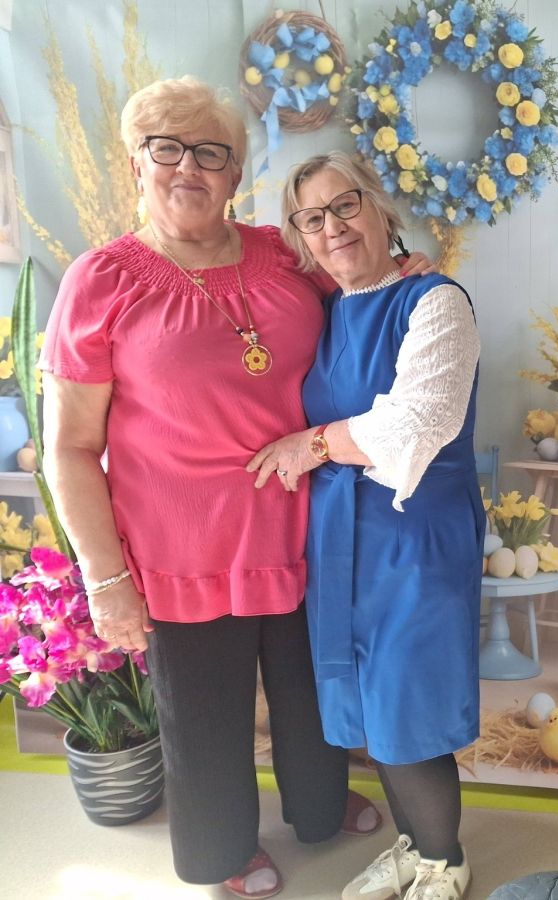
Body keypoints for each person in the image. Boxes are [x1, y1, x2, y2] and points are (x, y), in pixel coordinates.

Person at [37, 77, 433, 899]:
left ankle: (319, 805)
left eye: (210, 153)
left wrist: (408, 276)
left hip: (306, 524)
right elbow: (69, 448)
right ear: (137, 163)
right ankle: (221, 852)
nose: (188, 167)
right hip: (182, 547)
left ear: (235, 172)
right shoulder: (99, 280)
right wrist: (105, 579)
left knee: (312, 688)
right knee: (206, 715)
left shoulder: (282, 254)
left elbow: (362, 296)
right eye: (167, 149)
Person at [247, 151, 483, 900]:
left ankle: (445, 862)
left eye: (345, 205)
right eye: (312, 218)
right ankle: (415, 847)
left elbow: (418, 421)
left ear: (379, 207)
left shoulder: (435, 301)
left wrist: (311, 445)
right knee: (374, 706)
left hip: (415, 538)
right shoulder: (326, 311)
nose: (333, 227)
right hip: (342, 538)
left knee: (407, 704)